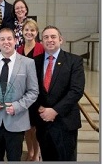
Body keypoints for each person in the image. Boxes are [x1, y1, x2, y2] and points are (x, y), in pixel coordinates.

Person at [0, 28, 39, 161]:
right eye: (2, 39)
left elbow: (33, 91)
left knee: (14, 159)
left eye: (9, 39)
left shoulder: (28, 63)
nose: (6, 42)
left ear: (16, 40)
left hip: (16, 121)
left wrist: (17, 106)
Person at [33, 25, 85, 161]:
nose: (49, 40)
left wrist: (55, 111)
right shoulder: (34, 62)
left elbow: (76, 90)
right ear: (41, 42)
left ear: (61, 40)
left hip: (65, 122)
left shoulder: (74, 61)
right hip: (43, 122)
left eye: (53, 36)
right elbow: (31, 90)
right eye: (46, 37)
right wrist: (39, 108)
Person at [16, 19, 44, 161]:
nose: (29, 32)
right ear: (22, 32)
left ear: (36, 32)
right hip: (23, 93)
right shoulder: (19, 50)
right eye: (26, 30)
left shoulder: (41, 48)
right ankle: (30, 151)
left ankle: (37, 153)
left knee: (36, 126)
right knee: (26, 126)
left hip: (37, 92)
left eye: (32, 30)